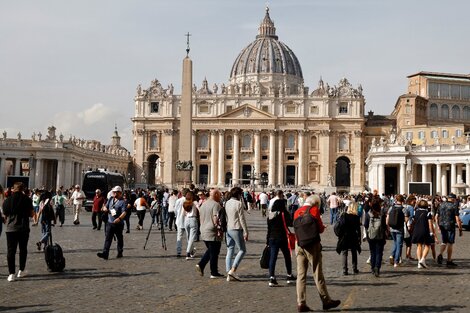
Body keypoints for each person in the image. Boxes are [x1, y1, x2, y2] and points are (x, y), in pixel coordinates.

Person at [295, 195, 341, 312]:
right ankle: (326, 301)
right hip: (312, 245)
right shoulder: (314, 210)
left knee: (301, 275)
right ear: (315, 204)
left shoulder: (297, 211)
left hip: (299, 244)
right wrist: (323, 227)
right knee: (317, 273)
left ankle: (301, 303)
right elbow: (320, 229)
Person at [2, 182, 34, 282]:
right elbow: (32, 214)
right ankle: (21, 270)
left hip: (10, 229)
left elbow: (5, 214)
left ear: (13, 189)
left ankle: (11, 274)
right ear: (23, 189)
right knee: (23, 249)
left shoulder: (8, 200)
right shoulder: (27, 200)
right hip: (23, 228)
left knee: (11, 251)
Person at [267, 190, 295, 287]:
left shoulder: (270, 215)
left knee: (273, 258)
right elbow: (291, 223)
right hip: (282, 238)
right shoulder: (284, 214)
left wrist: (267, 242)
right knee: (287, 256)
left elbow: (268, 229)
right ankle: (289, 275)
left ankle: (272, 277)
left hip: (272, 238)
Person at [195, 188, 224, 278]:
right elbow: (216, 218)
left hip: (203, 229)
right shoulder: (216, 205)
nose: (220, 197)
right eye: (219, 195)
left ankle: (206, 267)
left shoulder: (204, 204)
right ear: (216, 195)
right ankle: (212, 271)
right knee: (214, 252)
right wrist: (219, 229)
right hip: (212, 231)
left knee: (212, 251)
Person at [224, 187, 249, 281]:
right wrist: (246, 231)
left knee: (230, 249)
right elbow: (242, 219)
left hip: (229, 228)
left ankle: (228, 272)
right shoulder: (238, 203)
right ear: (238, 194)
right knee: (242, 250)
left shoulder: (227, 202)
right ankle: (233, 270)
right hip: (236, 228)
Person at [97, 186, 127, 259]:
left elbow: (124, 212)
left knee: (119, 238)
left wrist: (119, 218)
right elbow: (106, 207)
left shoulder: (122, 202)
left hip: (118, 224)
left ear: (119, 193)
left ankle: (120, 251)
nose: (113, 193)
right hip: (110, 222)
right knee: (108, 238)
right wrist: (104, 209)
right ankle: (105, 253)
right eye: (113, 192)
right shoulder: (110, 199)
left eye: (115, 192)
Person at [436, 194, 463, 266]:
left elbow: (436, 217)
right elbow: (457, 218)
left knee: (444, 241)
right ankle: (449, 260)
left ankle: (440, 254)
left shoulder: (441, 205)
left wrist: (438, 225)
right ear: (453, 199)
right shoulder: (454, 206)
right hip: (450, 225)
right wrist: (460, 229)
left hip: (442, 225)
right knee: (450, 243)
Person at [336, 201, 361, 275]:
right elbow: (358, 229)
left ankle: (345, 270)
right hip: (353, 236)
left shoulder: (344, 216)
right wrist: (359, 238)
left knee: (344, 253)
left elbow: (340, 226)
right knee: (354, 252)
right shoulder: (356, 217)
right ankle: (354, 268)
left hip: (345, 236)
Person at [364, 198, 388, 277]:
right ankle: (377, 268)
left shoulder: (368, 214)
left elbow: (365, 225)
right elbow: (384, 226)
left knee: (372, 252)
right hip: (380, 236)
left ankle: (372, 268)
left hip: (371, 236)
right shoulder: (382, 215)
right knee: (379, 253)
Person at [412, 200, 438, 269]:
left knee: (419, 245)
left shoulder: (415, 212)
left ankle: (419, 262)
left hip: (416, 230)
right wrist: (432, 232)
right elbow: (430, 224)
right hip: (424, 230)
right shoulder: (428, 213)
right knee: (427, 245)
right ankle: (423, 259)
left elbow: (413, 222)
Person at [387, 194, 406, 268]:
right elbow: (406, 219)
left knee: (395, 243)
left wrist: (388, 226)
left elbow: (387, 218)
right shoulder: (403, 209)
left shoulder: (391, 208)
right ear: (402, 200)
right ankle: (396, 261)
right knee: (399, 245)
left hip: (392, 228)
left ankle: (392, 255)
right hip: (399, 229)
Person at [181, 190, 198, 260]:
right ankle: (188, 253)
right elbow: (199, 209)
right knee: (192, 238)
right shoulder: (194, 203)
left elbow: (183, 214)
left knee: (188, 237)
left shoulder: (184, 203)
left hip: (186, 220)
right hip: (193, 220)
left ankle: (191, 252)